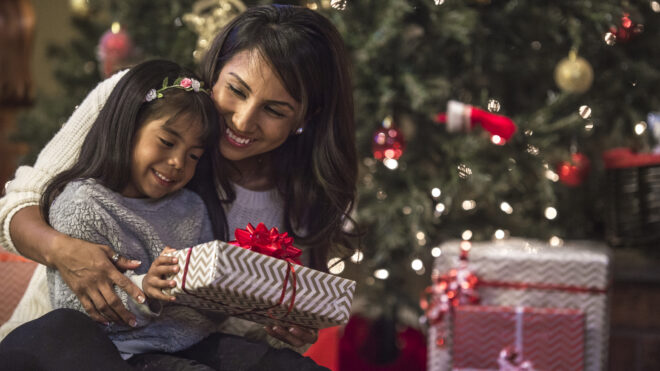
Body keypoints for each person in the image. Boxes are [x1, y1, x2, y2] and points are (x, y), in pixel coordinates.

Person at [0, 4, 356, 370]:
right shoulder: (137, 102)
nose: (242, 120)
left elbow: (241, 330)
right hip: (63, 342)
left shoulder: (298, 196)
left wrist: (280, 328)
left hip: (181, 347)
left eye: (275, 111)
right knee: (67, 334)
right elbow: (20, 205)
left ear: (305, 118)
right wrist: (63, 250)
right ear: (215, 70)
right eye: (236, 89)